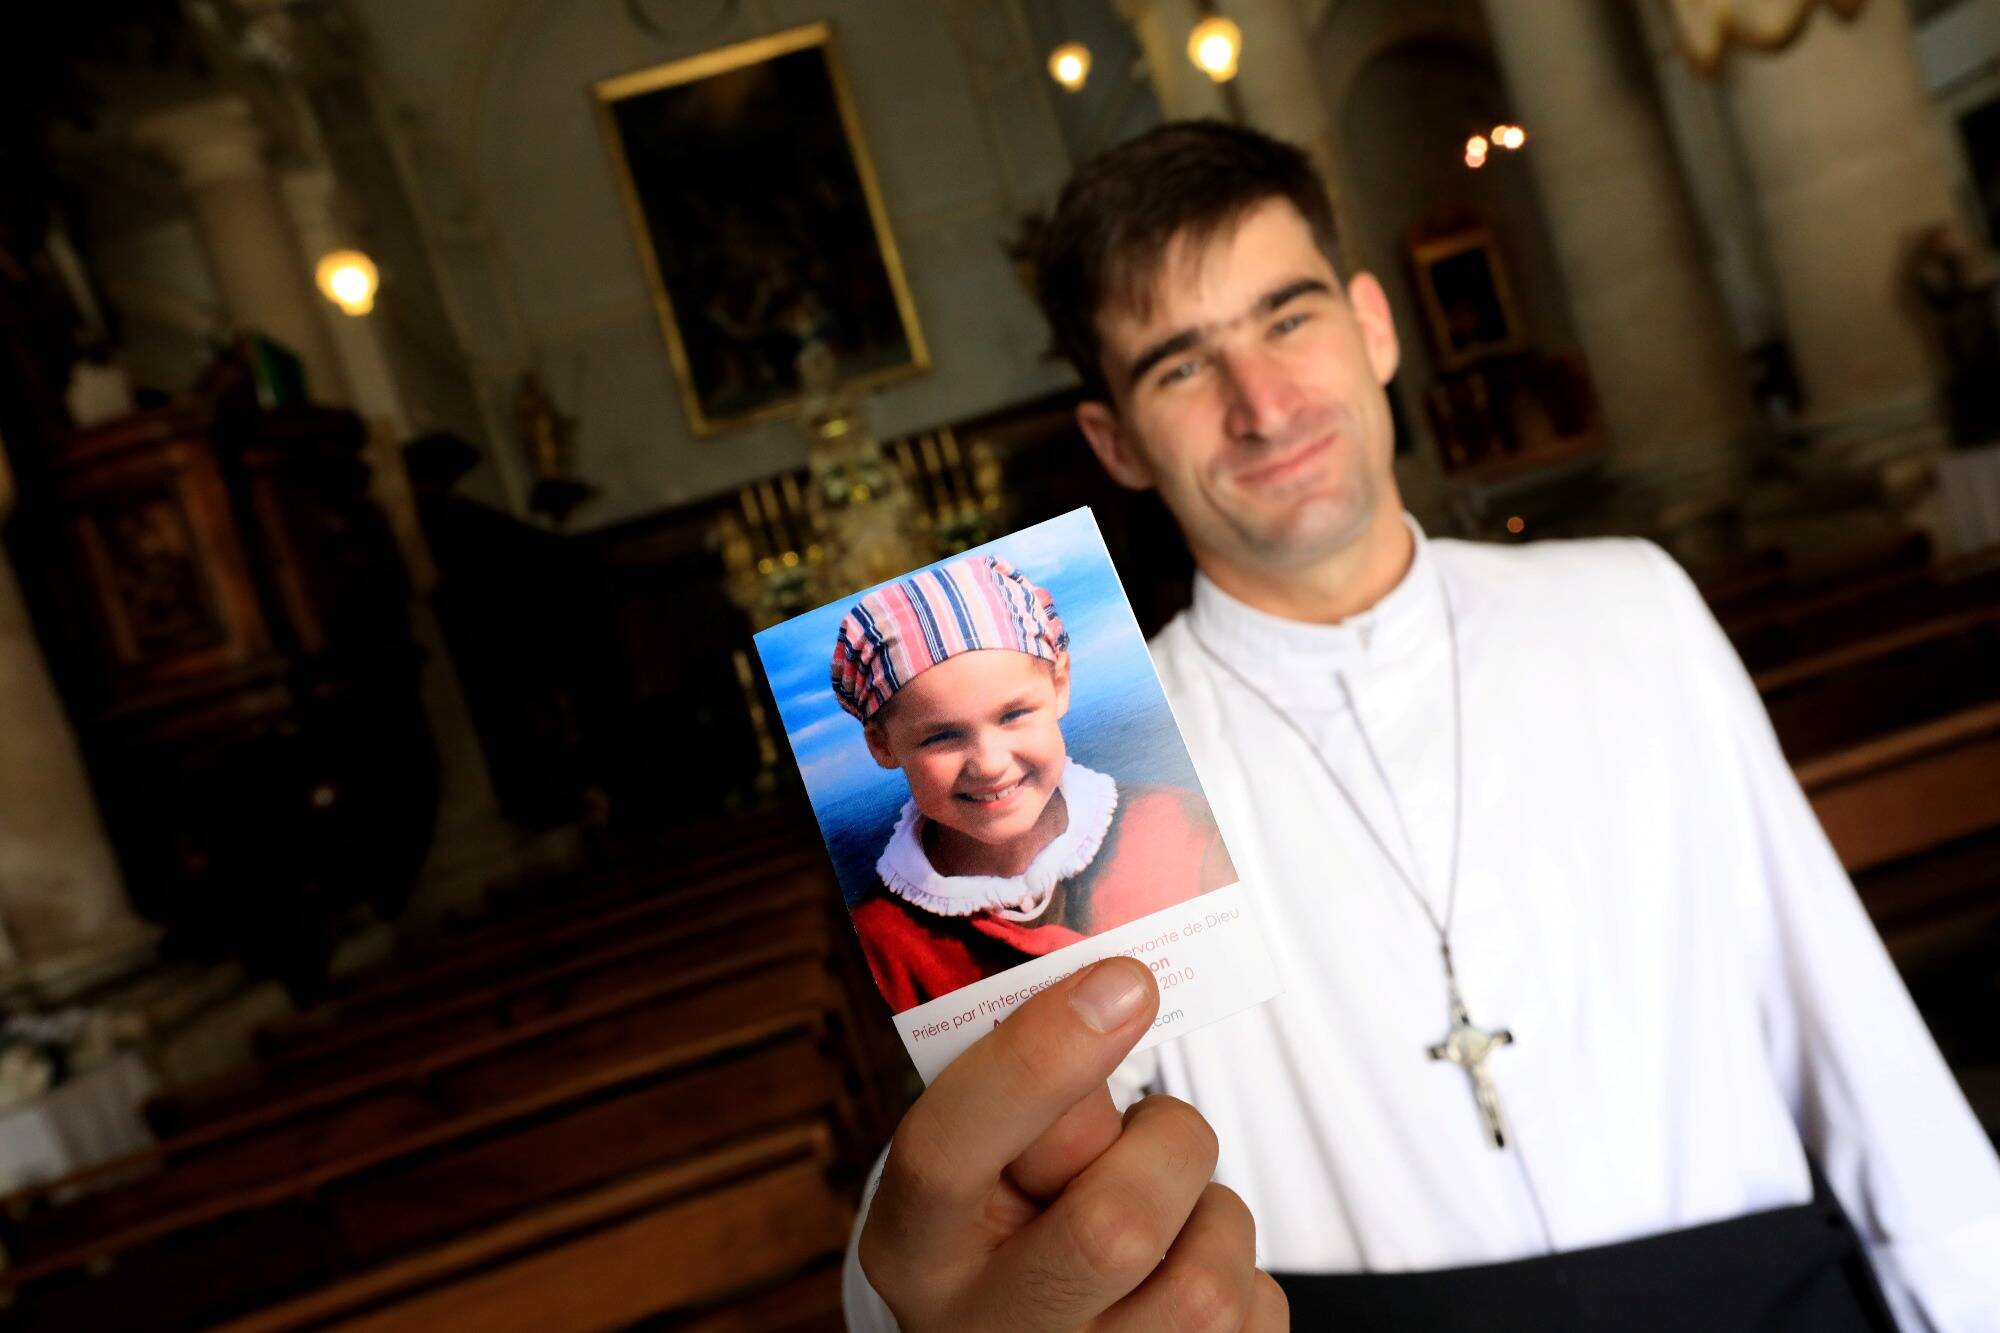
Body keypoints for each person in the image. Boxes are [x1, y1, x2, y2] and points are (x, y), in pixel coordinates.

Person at [841, 120, 2000, 1331]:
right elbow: (989, 1196)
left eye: (1287, 319)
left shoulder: (1628, 603)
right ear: (1114, 442)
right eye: (1181, 366)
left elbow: (1845, 1020)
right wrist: (924, 1281)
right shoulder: (1091, 767)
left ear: (1374, 326)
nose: (1263, 404)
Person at [834, 552, 1236, 1011]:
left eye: (1014, 714)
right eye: (942, 737)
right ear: (882, 745)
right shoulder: (882, 943)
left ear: (1060, 685)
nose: (988, 765)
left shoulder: (1180, 826)